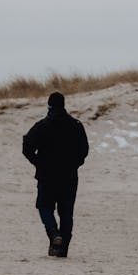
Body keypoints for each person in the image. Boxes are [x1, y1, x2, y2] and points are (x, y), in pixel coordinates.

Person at [23, 92, 89, 257]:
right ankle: (63, 248)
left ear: (49, 106)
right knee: (66, 212)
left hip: (47, 175)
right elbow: (84, 150)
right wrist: (75, 164)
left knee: (44, 207)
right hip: (69, 176)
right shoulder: (76, 125)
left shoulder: (42, 125)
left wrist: (38, 163)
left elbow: (27, 146)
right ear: (64, 105)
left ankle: (54, 235)